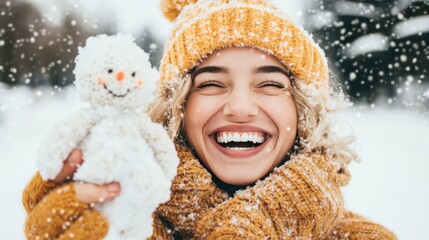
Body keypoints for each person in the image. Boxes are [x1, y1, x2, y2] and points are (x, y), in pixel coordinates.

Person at [22, 0, 397, 239]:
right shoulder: (123, 220)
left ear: (304, 109)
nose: (240, 107)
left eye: (269, 83)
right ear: (176, 106)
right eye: (212, 83)